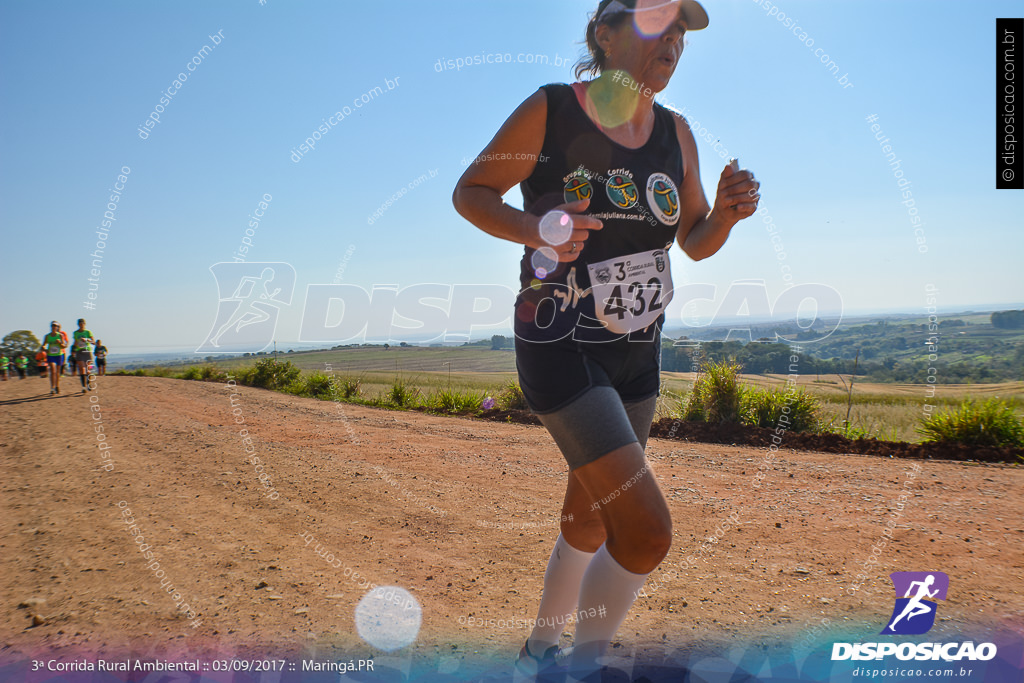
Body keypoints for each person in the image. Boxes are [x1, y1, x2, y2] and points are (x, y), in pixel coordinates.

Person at [452, 1, 759, 680]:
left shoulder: (678, 135)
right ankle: (583, 668)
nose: (674, 39)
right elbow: (471, 192)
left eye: (682, 31)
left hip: (636, 352)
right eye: (658, 22)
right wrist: (538, 229)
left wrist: (729, 216)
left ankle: (538, 652)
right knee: (646, 531)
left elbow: (696, 240)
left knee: (589, 517)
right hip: (560, 341)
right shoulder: (553, 110)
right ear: (604, 34)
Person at [42, 321, 68, 394]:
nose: (54, 327)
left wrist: (60, 343)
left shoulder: (60, 335)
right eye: (53, 326)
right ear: (51, 327)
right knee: (53, 370)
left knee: (57, 372)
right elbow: (43, 345)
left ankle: (57, 386)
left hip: (59, 355)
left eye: (55, 326)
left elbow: (64, 346)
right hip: (51, 355)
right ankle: (52, 388)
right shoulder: (47, 336)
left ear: (57, 328)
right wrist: (44, 348)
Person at [72, 318, 95, 392]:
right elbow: (75, 342)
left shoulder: (88, 332)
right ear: (78, 324)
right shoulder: (75, 333)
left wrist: (87, 339)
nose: (81, 325)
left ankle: (88, 383)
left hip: (87, 351)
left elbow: (93, 342)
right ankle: (84, 387)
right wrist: (73, 350)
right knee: (82, 369)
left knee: (88, 370)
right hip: (79, 351)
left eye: (83, 323)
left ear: (85, 324)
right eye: (80, 323)